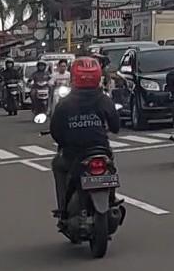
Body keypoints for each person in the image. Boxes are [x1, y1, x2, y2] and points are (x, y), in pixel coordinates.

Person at [45, 57, 122, 220]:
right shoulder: (104, 99)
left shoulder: (65, 103)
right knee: (110, 165)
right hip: (101, 150)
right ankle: (112, 197)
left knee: (58, 165)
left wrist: (65, 142)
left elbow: (56, 131)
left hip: (74, 153)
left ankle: (63, 209)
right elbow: (115, 126)